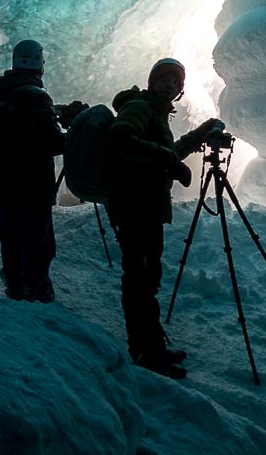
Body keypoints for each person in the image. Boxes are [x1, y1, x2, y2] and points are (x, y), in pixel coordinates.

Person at [107, 57, 222, 378]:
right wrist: (166, 158)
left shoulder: (155, 112)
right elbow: (119, 139)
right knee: (139, 280)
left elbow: (162, 155)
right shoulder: (140, 108)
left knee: (147, 279)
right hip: (134, 208)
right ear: (152, 82)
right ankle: (144, 351)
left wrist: (197, 136)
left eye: (176, 82)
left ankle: (152, 344)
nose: (171, 86)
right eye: (165, 80)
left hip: (147, 207)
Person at [0, 39, 85, 302]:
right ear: (40, 63)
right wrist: (77, 131)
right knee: (38, 241)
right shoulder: (37, 97)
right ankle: (37, 289)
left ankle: (16, 287)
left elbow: (22, 117)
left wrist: (55, 111)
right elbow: (53, 142)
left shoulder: (0, 91)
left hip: (4, 181)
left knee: (11, 237)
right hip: (32, 184)